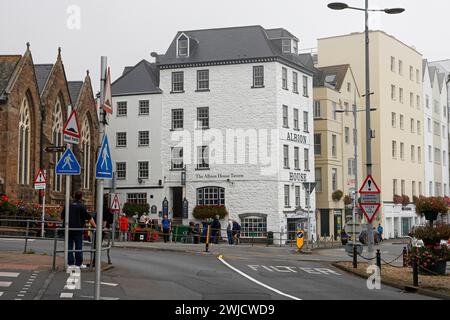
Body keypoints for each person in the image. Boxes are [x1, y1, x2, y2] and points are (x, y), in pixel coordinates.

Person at [61, 191, 96, 268]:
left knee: (69, 246)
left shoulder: (68, 205)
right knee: (78, 246)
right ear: (81, 197)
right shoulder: (82, 206)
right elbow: (89, 217)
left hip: (68, 229)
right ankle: (78, 264)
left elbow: (62, 217)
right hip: (78, 229)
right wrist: (95, 226)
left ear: (74, 196)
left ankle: (70, 263)